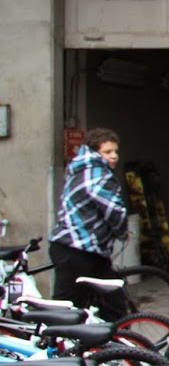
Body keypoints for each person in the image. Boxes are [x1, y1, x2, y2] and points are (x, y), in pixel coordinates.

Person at [48, 126, 129, 321]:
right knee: (66, 309)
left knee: (112, 300)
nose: (114, 156)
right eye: (107, 152)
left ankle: (113, 338)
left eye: (115, 151)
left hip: (87, 250)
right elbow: (114, 210)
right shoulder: (97, 174)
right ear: (94, 153)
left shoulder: (79, 169)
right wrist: (122, 232)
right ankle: (48, 339)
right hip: (77, 250)